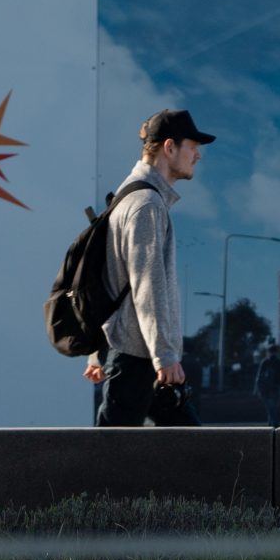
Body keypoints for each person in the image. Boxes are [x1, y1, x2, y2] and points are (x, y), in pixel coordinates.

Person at [86, 108, 214, 427]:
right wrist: (165, 355)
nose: (197, 155)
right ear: (169, 147)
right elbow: (147, 285)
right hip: (138, 357)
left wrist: (98, 352)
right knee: (108, 460)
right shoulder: (145, 204)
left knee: (198, 453)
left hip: (138, 354)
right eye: (192, 146)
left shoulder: (130, 196)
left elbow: (109, 279)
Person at [254, 345, 280, 428]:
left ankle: (274, 426)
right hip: (277, 388)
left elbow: (259, 377)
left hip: (266, 389)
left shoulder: (265, 362)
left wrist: (257, 389)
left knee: (271, 409)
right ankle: (271, 426)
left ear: (268, 352)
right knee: (273, 408)